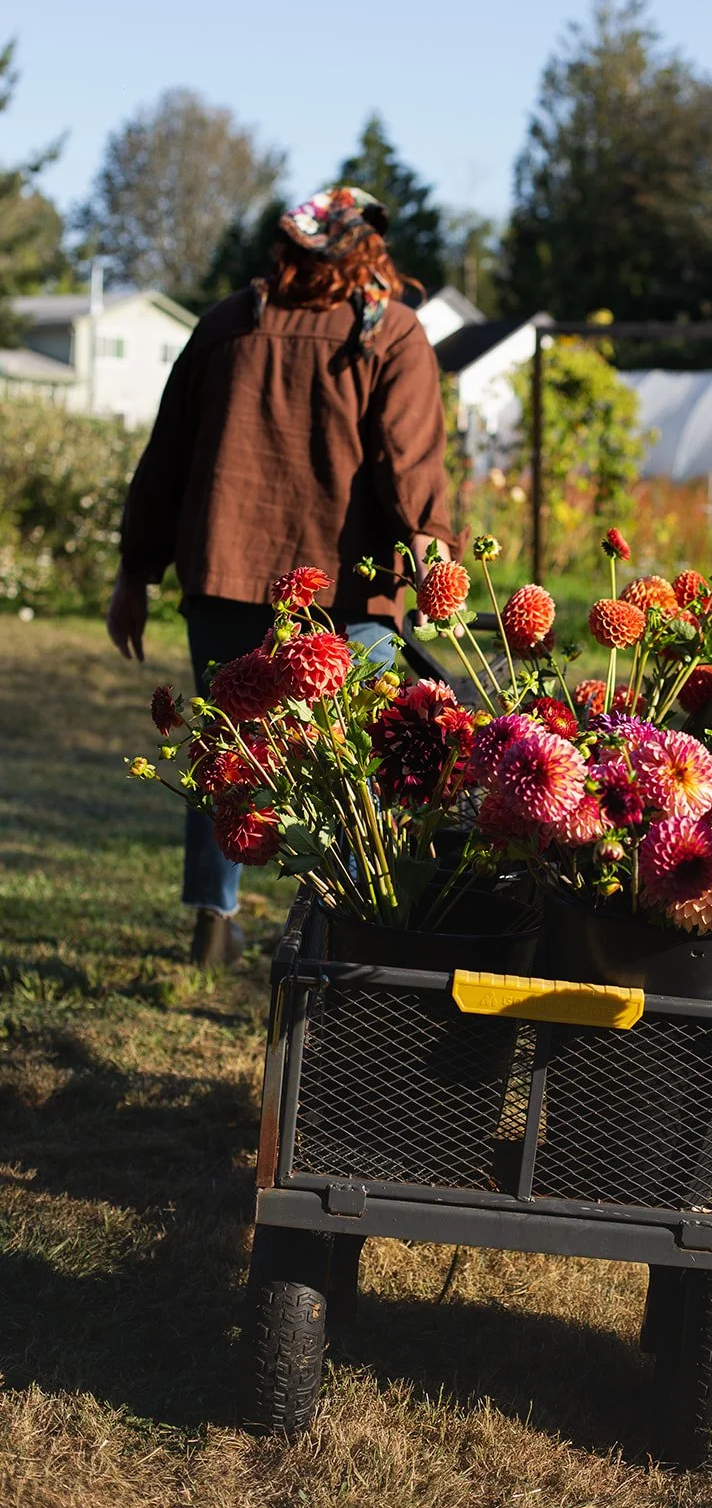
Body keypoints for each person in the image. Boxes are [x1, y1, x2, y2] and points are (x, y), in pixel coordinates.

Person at [107, 185, 460, 964]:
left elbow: (165, 458)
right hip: (344, 594)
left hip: (226, 575)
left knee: (227, 749)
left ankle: (212, 922)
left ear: (290, 246)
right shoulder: (390, 332)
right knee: (353, 761)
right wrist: (432, 554)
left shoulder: (228, 324)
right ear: (367, 247)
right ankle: (346, 929)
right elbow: (409, 469)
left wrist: (135, 571)